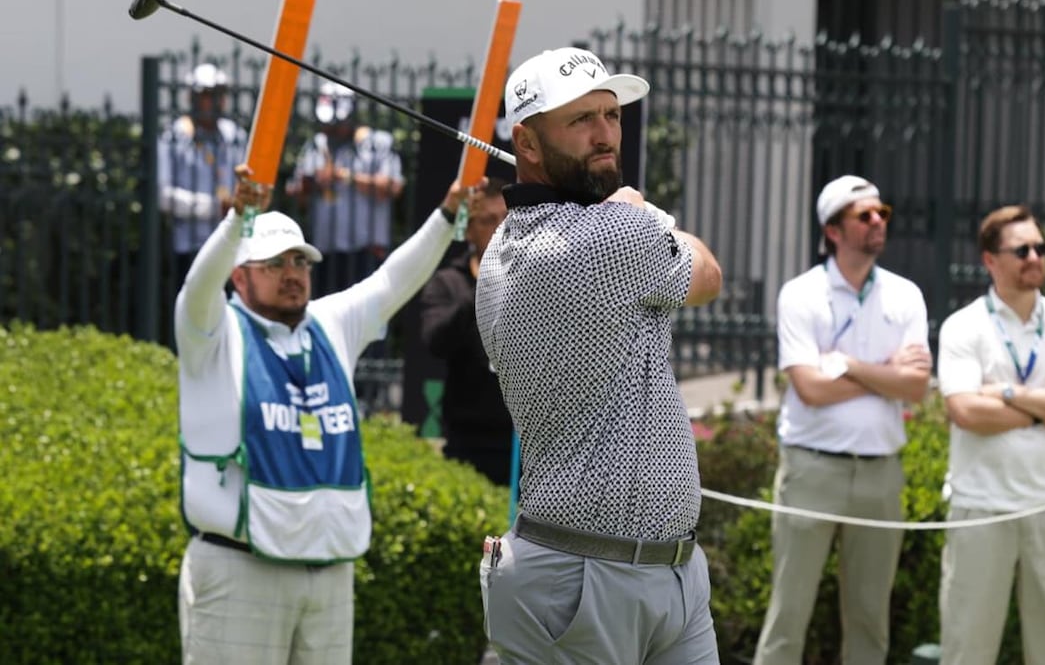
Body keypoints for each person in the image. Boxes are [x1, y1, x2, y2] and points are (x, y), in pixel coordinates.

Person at [474, 47, 724, 664]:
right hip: (581, 578)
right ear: (526, 142)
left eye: (611, 115)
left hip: (669, 570)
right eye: (581, 120)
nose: (605, 135)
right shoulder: (610, 235)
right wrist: (649, 214)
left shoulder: (501, 247)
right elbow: (709, 274)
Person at [174, 162, 467, 664]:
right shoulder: (211, 332)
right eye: (274, 264)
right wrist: (235, 221)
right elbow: (197, 290)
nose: (292, 274)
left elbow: (393, 279)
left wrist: (447, 215)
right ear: (239, 276)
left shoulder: (330, 324)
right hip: (240, 568)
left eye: (300, 261)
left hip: (330, 572)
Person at [754, 175, 932, 665]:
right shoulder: (800, 293)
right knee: (789, 616)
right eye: (864, 215)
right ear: (833, 231)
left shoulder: (906, 295)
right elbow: (809, 389)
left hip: (881, 473)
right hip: (812, 470)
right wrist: (886, 374)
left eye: (882, 213)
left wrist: (847, 365)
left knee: (870, 622)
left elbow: (916, 387)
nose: (878, 221)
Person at [935, 205, 1045, 665]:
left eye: (1039, 247)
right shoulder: (964, 326)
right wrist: (1044, 409)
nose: (1035, 257)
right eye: (1021, 250)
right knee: (967, 650)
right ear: (990, 260)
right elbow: (964, 410)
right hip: (981, 507)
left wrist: (1007, 393)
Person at [418, 176, 515, 486]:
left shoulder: (537, 280)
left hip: (525, 441)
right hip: (468, 440)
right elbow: (435, 341)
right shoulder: (449, 283)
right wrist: (484, 285)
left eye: (507, 219)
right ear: (469, 230)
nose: (501, 230)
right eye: (488, 221)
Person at [289, 81, 405, 296]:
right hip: (325, 253)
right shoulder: (316, 144)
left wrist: (343, 176)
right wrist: (311, 185)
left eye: (336, 123)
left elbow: (392, 187)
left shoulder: (378, 143)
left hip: (367, 251)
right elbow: (298, 197)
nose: (330, 129)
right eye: (327, 123)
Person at [158, 62, 247, 288]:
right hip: (190, 246)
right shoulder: (175, 135)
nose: (216, 101)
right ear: (192, 97)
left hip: (232, 245)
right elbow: (163, 196)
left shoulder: (234, 134)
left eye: (220, 94)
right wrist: (213, 207)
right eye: (208, 94)